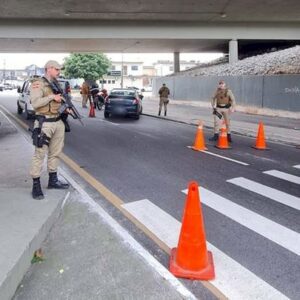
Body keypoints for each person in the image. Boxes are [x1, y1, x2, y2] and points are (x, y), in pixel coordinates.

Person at [30, 60, 69, 200]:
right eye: (57, 69)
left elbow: (59, 101)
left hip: (58, 121)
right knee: (39, 154)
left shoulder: (56, 83)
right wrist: (52, 97)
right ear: (49, 69)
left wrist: (65, 107)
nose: (59, 72)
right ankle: (36, 185)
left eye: (59, 70)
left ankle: (53, 180)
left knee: (55, 153)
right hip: (44, 123)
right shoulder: (38, 84)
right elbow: (35, 103)